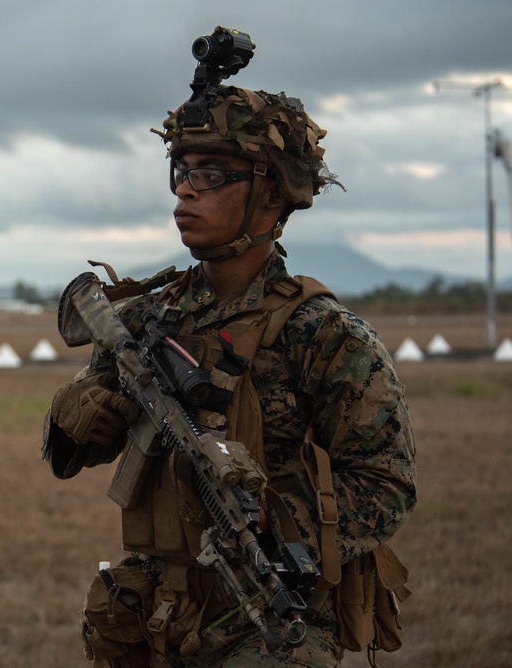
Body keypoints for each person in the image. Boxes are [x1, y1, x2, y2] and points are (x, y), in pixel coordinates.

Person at [42, 35, 417, 668]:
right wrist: (76, 414)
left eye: (211, 175)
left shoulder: (324, 335)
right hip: (149, 620)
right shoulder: (145, 321)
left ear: (271, 194)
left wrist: (277, 518)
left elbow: (387, 484)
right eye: (181, 171)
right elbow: (69, 452)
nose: (185, 191)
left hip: (262, 620)